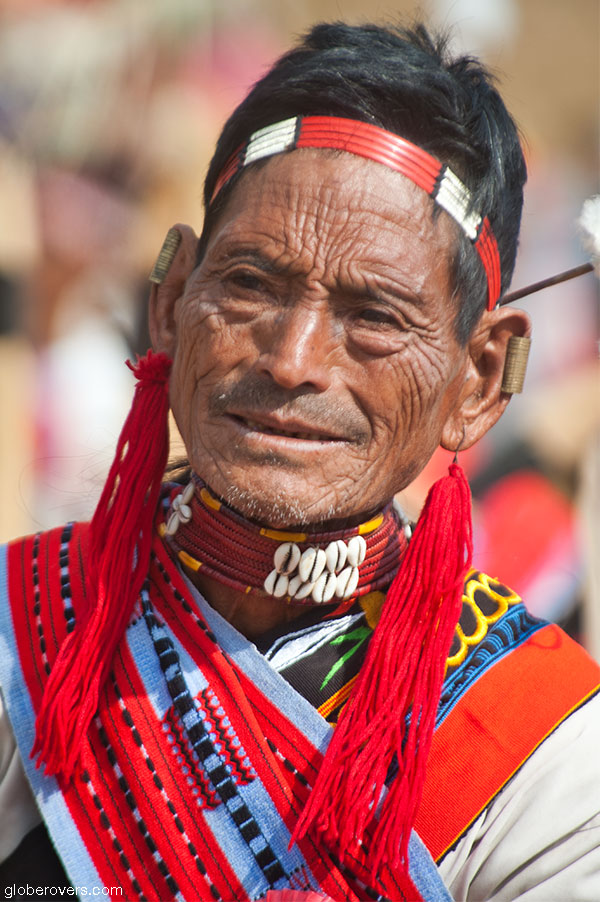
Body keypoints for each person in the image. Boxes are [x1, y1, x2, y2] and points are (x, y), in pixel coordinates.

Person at [1, 21, 599, 902]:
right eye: (248, 284)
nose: (292, 358)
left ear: (478, 379)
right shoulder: (26, 633)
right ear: (170, 301)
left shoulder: (547, 755)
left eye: (375, 317)